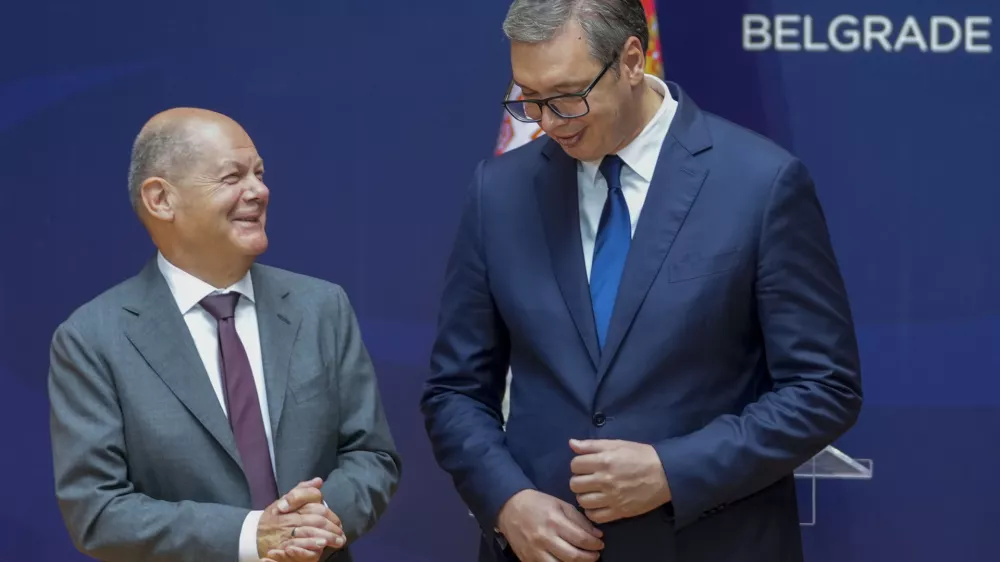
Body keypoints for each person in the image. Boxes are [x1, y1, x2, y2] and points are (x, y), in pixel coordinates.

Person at [420, 1, 862, 561]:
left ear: (632, 60)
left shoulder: (760, 185)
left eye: (566, 96)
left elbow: (825, 388)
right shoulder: (498, 193)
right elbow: (455, 389)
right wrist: (506, 502)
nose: (549, 122)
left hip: (710, 544)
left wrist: (670, 471)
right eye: (528, 99)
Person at [48, 107, 401, 562]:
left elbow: (372, 455)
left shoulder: (321, 307)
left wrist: (314, 522)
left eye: (259, 174)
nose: (259, 191)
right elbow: (97, 511)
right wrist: (252, 535)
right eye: (232, 177)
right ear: (161, 200)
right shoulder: (92, 339)